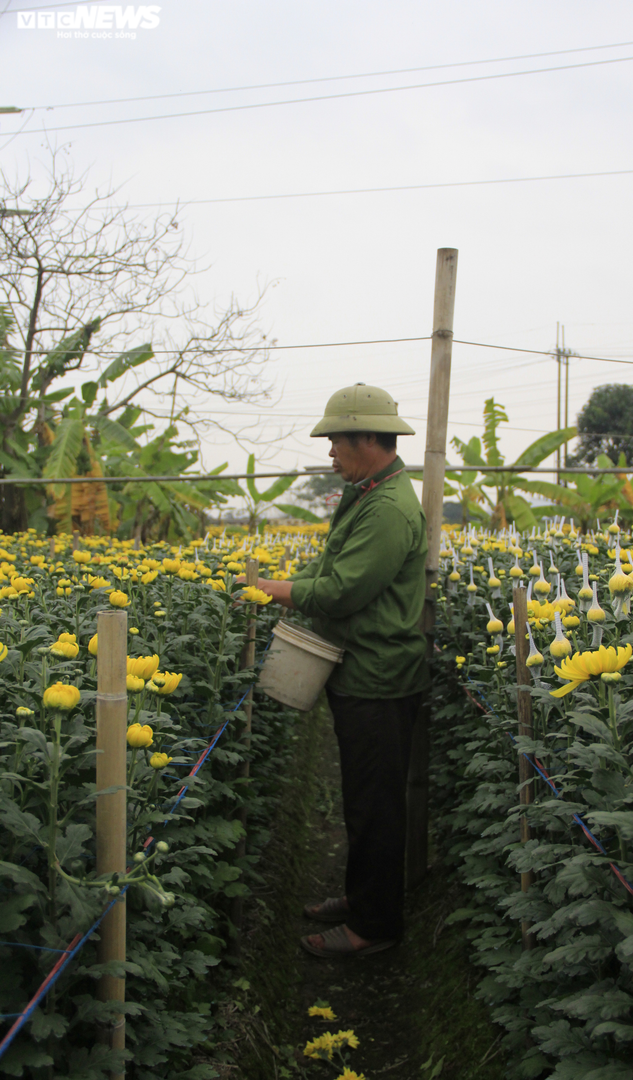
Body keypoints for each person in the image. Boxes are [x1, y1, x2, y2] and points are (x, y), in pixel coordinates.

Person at [252, 383, 429, 957]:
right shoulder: (368, 493)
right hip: (361, 670)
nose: (329, 452)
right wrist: (291, 582)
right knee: (362, 798)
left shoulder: (389, 507)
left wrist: (270, 589)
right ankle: (361, 898)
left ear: (367, 439)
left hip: (380, 678)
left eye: (335, 441)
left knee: (376, 806)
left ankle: (374, 928)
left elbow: (343, 590)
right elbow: (331, 566)